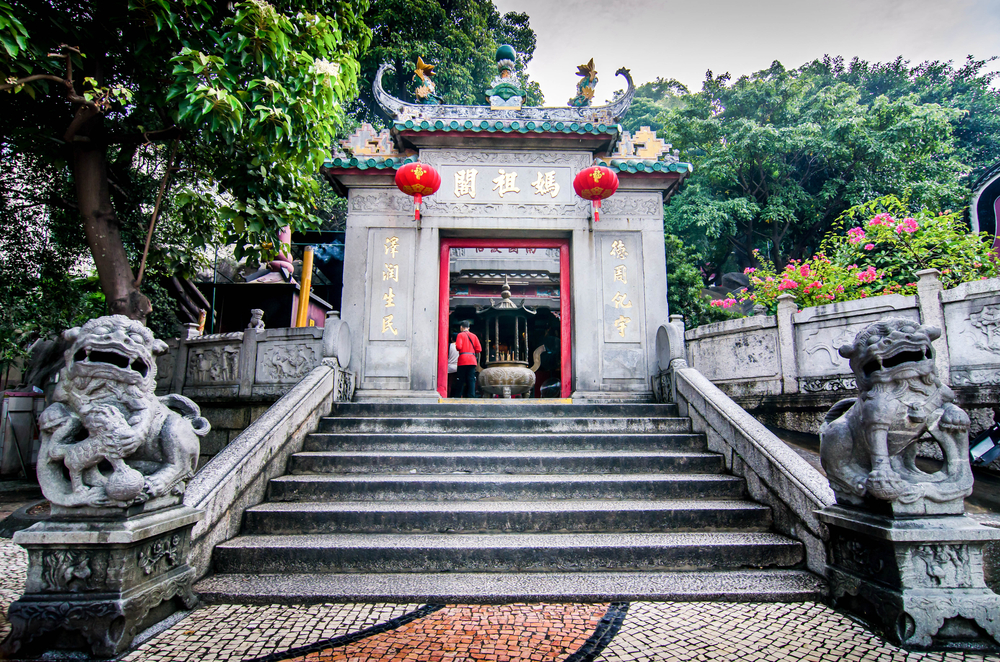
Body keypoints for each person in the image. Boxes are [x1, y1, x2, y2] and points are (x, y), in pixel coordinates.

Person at [454, 320, 481, 398]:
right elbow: (479, 349)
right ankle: (471, 395)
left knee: (461, 378)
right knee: (471, 378)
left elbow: (458, 347)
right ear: (469, 328)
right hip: (472, 359)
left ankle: (459, 395)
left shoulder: (460, 335)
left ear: (461, 327)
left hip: (463, 359)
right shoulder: (474, 336)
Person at [447, 332, 459, 396]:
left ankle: (447, 395)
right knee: (459, 384)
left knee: (449, 384)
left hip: (449, 368)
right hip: (458, 367)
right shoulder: (461, 346)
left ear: (451, 338)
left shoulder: (449, 346)